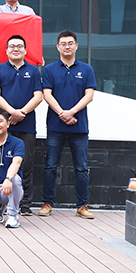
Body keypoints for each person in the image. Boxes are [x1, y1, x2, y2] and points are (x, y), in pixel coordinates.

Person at [41, 30, 96, 219]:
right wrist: (62, 114)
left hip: (79, 127)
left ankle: (82, 206)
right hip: (55, 126)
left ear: (76, 46)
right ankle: (47, 203)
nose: (67, 46)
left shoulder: (86, 69)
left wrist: (71, 112)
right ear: (58, 47)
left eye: (70, 43)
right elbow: (47, 95)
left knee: (81, 167)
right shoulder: (49, 69)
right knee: (50, 166)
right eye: (63, 43)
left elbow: (89, 95)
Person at [0, 34, 42, 217]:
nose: (16, 49)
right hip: (4, 125)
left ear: (25, 50)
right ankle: (1, 202)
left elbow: (38, 96)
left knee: (26, 165)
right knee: (2, 163)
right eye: (12, 46)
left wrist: (21, 113)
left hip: (27, 125)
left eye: (19, 46)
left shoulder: (34, 71)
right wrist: (11, 112)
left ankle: (25, 204)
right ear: (6, 51)